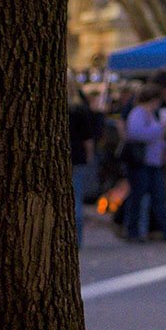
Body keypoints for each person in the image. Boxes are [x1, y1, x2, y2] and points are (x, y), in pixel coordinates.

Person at [123, 84, 166, 243]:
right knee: (139, 195)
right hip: (141, 162)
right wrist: (160, 129)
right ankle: (134, 230)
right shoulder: (138, 113)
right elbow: (135, 133)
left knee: (157, 195)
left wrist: (165, 147)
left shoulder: (150, 114)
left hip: (153, 161)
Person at [68, 80, 103, 240]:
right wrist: (89, 155)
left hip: (67, 157)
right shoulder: (79, 109)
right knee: (76, 198)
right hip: (77, 156)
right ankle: (77, 238)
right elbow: (88, 136)